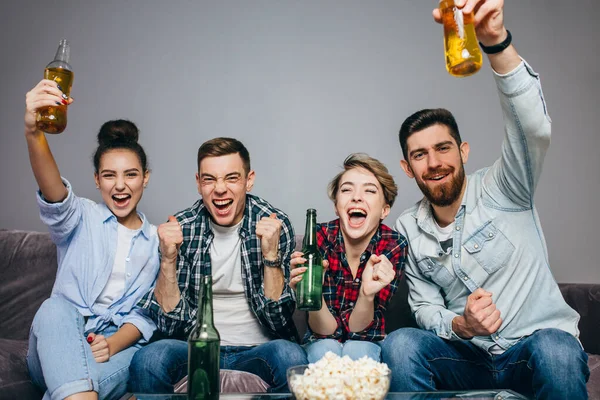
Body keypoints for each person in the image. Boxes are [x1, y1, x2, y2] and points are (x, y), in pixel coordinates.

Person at [381, 1, 590, 398]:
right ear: (408, 168)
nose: (434, 163)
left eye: (443, 148)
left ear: (464, 151)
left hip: (533, 348)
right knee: (401, 343)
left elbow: (532, 128)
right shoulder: (408, 226)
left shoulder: (505, 187)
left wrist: (495, 42)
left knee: (556, 348)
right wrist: (463, 325)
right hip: (467, 358)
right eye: (420, 155)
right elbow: (424, 308)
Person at [130, 137, 307, 393]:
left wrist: (270, 255)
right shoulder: (184, 227)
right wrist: (168, 260)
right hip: (195, 348)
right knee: (148, 359)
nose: (220, 189)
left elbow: (278, 319)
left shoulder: (273, 224)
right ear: (198, 183)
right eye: (209, 179)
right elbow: (171, 326)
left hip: (257, 350)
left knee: (292, 358)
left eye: (231, 178)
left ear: (249, 180)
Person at [24, 79, 160, 400]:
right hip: (60, 337)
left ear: (145, 178)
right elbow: (53, 191)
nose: (120, 185)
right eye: (109, 175)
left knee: (135, 362)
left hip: (116, 348)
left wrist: (112, 344)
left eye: (130, 174)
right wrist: (34, 132)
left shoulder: (157, 242)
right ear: (97, 180)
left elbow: (145, 315)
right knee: (54, 308)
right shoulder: (80, 216)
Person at [290, 153, 407, 363]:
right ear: (337, 206)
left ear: (384, 210)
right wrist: (313, 292)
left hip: (367, 339)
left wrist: (366, 294)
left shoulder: (393, 245)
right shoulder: (317, 239)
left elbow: (359, 332)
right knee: (323, 351)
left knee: (358, 352)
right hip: (321, 337)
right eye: (346, 190)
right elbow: (324, 332)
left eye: (369, 190)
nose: (356, 197)